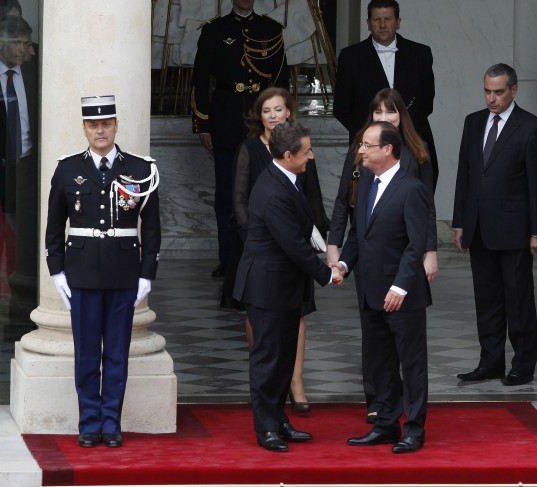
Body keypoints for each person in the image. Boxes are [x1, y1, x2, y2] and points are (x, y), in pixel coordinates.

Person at [45, 95, 161, 448]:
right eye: (93, 124)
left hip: (124, 272)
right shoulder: (66, 169)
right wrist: (56, 272)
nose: (100, 130)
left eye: (106, 123)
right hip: (80, 273)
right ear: (84, 128)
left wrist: (147, 274)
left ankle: (111, 423)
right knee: (86, 355)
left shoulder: (141, 169)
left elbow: (152, 228)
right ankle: (88, 422)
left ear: (115, 126)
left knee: (116, 352)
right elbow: (54, 227)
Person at [327, 88, 437, 424]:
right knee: (376, 347)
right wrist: (341, 255)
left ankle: (413, 423)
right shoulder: (364, 168)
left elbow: (424, 215)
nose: (383, 116)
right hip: (371, 271)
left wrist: (427, 253)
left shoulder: (416, 159)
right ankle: (382, 409)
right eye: (377, 112)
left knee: (408, 352)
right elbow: (350, 213)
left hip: (401, 269)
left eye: (390, 111)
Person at [234, 122, 342, 453]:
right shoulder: (273, 191)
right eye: (306, 151)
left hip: (284, 287)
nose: (311, 156)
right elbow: (294, 245)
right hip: (267, 288)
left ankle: (279, 420)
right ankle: (265, 427)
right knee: (268, 359)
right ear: (287, 155)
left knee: (284, 357)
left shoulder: (286, 179)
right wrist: (327, 274)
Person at [227, 87, 329, 412]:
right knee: (267, 348)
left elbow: (311, 198)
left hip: (289, 266)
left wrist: (322, 237)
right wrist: (329, 272)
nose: (272, 115)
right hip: (267, 264)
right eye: (266, 110)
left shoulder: (295, 158)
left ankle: (285, 405)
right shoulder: (269, 181)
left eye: (278, 109)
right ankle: (268, 420)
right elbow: (240, 201)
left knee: (286, 338)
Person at [452, 63, 537, 387]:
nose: (491, 99)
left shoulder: (531, 127)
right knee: (487, 300)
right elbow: (465, 177)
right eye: (487, 91)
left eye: (498, 92)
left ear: (513, 90)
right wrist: (459, 223)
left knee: (518, 299)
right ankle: (490, 362)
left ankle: (523, 365)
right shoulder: (473, 122)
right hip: (479, 228)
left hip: (515, 230)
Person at [190, 0, 288, 278]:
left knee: (266, 193)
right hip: (225, 123)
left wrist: (280, 125)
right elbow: (200, 79)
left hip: (263, 123)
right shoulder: (214, 30)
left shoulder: (271, 29)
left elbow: (281, 81)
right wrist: (203, 124)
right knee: (227, 196)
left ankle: (263, 256)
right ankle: (229, 259)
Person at [332, 0, 438, 190]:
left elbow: (426, 101)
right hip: (367, 147)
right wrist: (371, 135)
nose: (382, 25)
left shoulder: (420, 53)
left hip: (412, 143)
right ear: (368, 23)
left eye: (388, 19)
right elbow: (341, 107)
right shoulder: (350, 57)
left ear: (398, 21)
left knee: (417, 198)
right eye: (377, 19)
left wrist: (403, 130)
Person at [0, 14, 36, 307]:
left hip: (28, 165)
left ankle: (27, 286)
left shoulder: (34, 74)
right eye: (19, 44)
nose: (25, 50)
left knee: (25, 229)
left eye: (27, 43)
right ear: (1, 44)